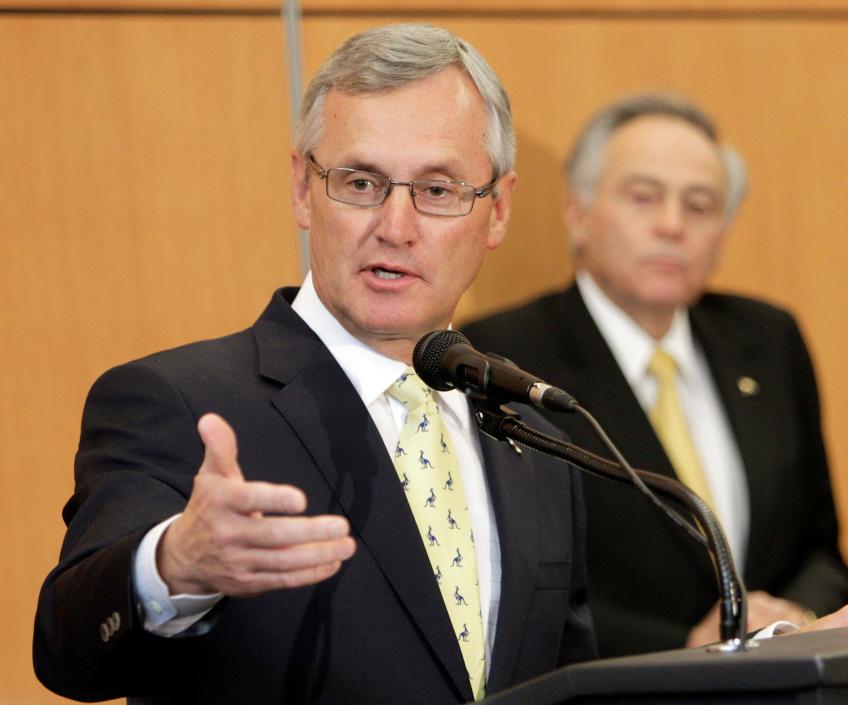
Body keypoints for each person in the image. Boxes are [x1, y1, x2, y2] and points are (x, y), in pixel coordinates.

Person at [32, 24, 597, 705]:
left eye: (438, 190)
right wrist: (174, 564)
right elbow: (67, 648)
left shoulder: (532, 438)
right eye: (360, 182)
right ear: (303, 188)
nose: (395, 224)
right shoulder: (179, 402)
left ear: (497, 209)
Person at [462, 92, 848, 656]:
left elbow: (821, 548)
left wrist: (795, 616)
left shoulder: (768, 339)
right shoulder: (503, 356)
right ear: (578, 214)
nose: (672, 226)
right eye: (644, 198)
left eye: (699, 206)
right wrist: (684, 646)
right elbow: (508, 581)